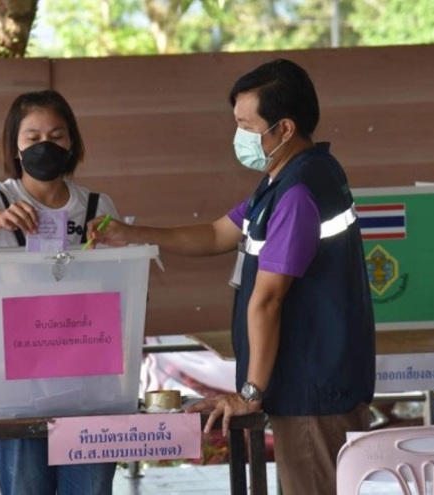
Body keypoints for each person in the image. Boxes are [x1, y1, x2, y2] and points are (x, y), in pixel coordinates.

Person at [87, 59, 376, 495]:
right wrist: (132, 234)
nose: (238, 136)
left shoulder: (298, 193)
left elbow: (267, 300)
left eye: (246, 125)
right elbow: (216, 233)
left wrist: (249, 393)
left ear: (284, 128)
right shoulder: (286, 180)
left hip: (312, 392)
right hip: (308, 385)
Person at [0, 89, 119, 494]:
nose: (45, 146)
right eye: (33, 138)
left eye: (57, 135)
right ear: (15, 147)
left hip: (88, 381)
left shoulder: (97, 206)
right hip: (17, 382)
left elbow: (122, 283)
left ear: (72, 143)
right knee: (26, 486)